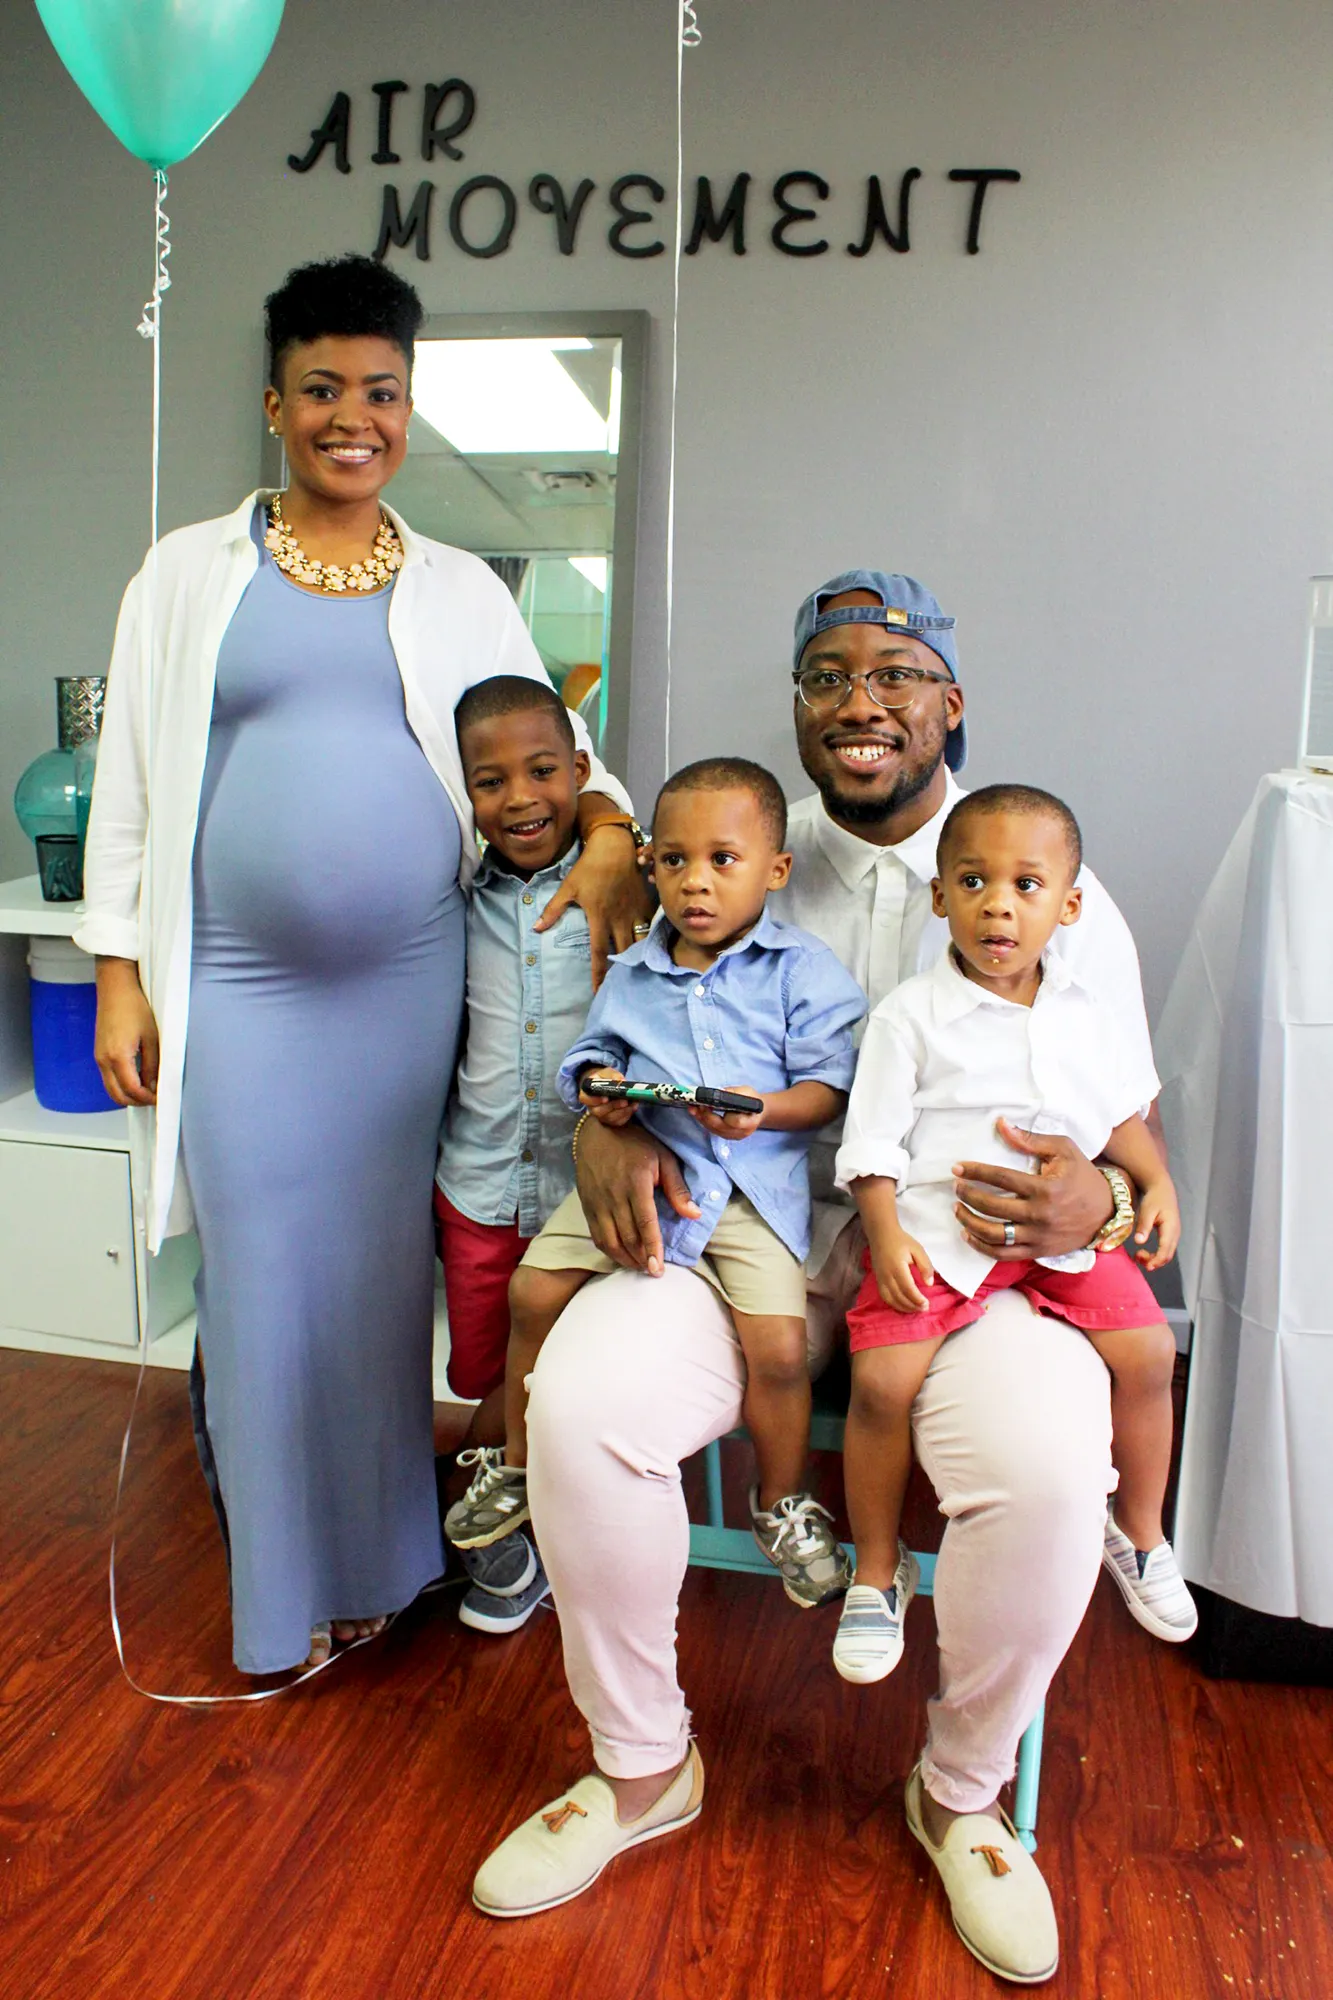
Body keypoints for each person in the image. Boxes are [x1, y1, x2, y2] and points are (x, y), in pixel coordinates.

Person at [471, 571, 1164, 1986]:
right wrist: (605, 1128)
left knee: (1047, 1462)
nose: (862, 703)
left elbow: (1124, 1128)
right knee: (582, 1401)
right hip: (742, 1254)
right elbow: (622, 1031)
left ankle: (962, 1794)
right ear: (795, 707)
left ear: (951, 703)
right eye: (828, 677)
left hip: (967, 1281)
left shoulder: (1041, 875)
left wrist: (1101, 1189)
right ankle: (644, 1765)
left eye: (898, 674)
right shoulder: (710, 846)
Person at [76, 253, 645, 1677]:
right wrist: (118, 970)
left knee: (380, 1285)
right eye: (323, 388)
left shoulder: (459, 589)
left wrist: (615, 826)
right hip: (243, 996)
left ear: (408, 407)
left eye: (380, 392)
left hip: (404, 990)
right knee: (265, 1283)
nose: (353, 416)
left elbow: (558, 758)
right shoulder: (187, 572)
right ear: (278, 403)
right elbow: (132, 780)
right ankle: (280, 1597)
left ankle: (388, 1568)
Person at [447, 757, 866, 1608]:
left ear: (774, 871)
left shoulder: (800, 969)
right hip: (636, 1178)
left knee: (779, 1352)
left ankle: (780, 1502)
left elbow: (833, 1086)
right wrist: (599, 1091)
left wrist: (765, 1110)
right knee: (532, 1294)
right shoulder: (636, 970)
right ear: (650, 867)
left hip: (749, 1197)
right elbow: (588, 1053)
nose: (694, 884)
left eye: (722, 860)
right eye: (672, 862)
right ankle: (520, 1466)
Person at [832, 783, 1193, 1687]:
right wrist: (882, 1233)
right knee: (880, 1385)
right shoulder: (907, 1017)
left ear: (1066, 906)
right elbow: (871, 1142)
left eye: (1027, 885)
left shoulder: (1085, 1017)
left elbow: (1118, 1121)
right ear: (939, 898)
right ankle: (876, 1571)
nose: (999, 903)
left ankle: (1140, 1533)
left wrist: (1155, 1186)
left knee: (1148, 1355)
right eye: (973, 880)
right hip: (939, 1234)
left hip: (1064, 1241)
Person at [433, 675, 600, 1636]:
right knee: (489, 1374)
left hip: (586, 1198)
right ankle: (505, 1523)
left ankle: (552, 1530)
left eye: (542, 771)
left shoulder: (625, 885)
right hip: (482, 1185)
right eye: (489, 782)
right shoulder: (455, 898)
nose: (521, 798)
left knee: (572, 1380)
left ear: (580, 771)